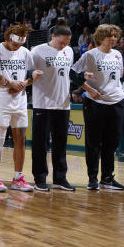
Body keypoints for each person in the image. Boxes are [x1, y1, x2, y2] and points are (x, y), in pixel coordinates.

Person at [0, 24, 42, 192]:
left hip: (20, 101)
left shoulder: (25, 53)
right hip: (1, 101)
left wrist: (25, 83)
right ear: (8, 38)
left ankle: (18, 177)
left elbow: (31, 75)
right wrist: (6, 82)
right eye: (15, 44)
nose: (17, 47)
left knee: (20, 139)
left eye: (20, 45)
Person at [30, 19, 76, 191]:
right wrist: (31, 73)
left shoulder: (69, 51)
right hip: (43, 103)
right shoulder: (37, 50)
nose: (64, 46)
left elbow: (67, 74)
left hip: (63, 104)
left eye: (67, 43)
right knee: (41, 144)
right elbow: (27, 70)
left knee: (61, 143)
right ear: (53, 36)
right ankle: (40, 178)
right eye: (61, 42)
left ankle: (59, 178)